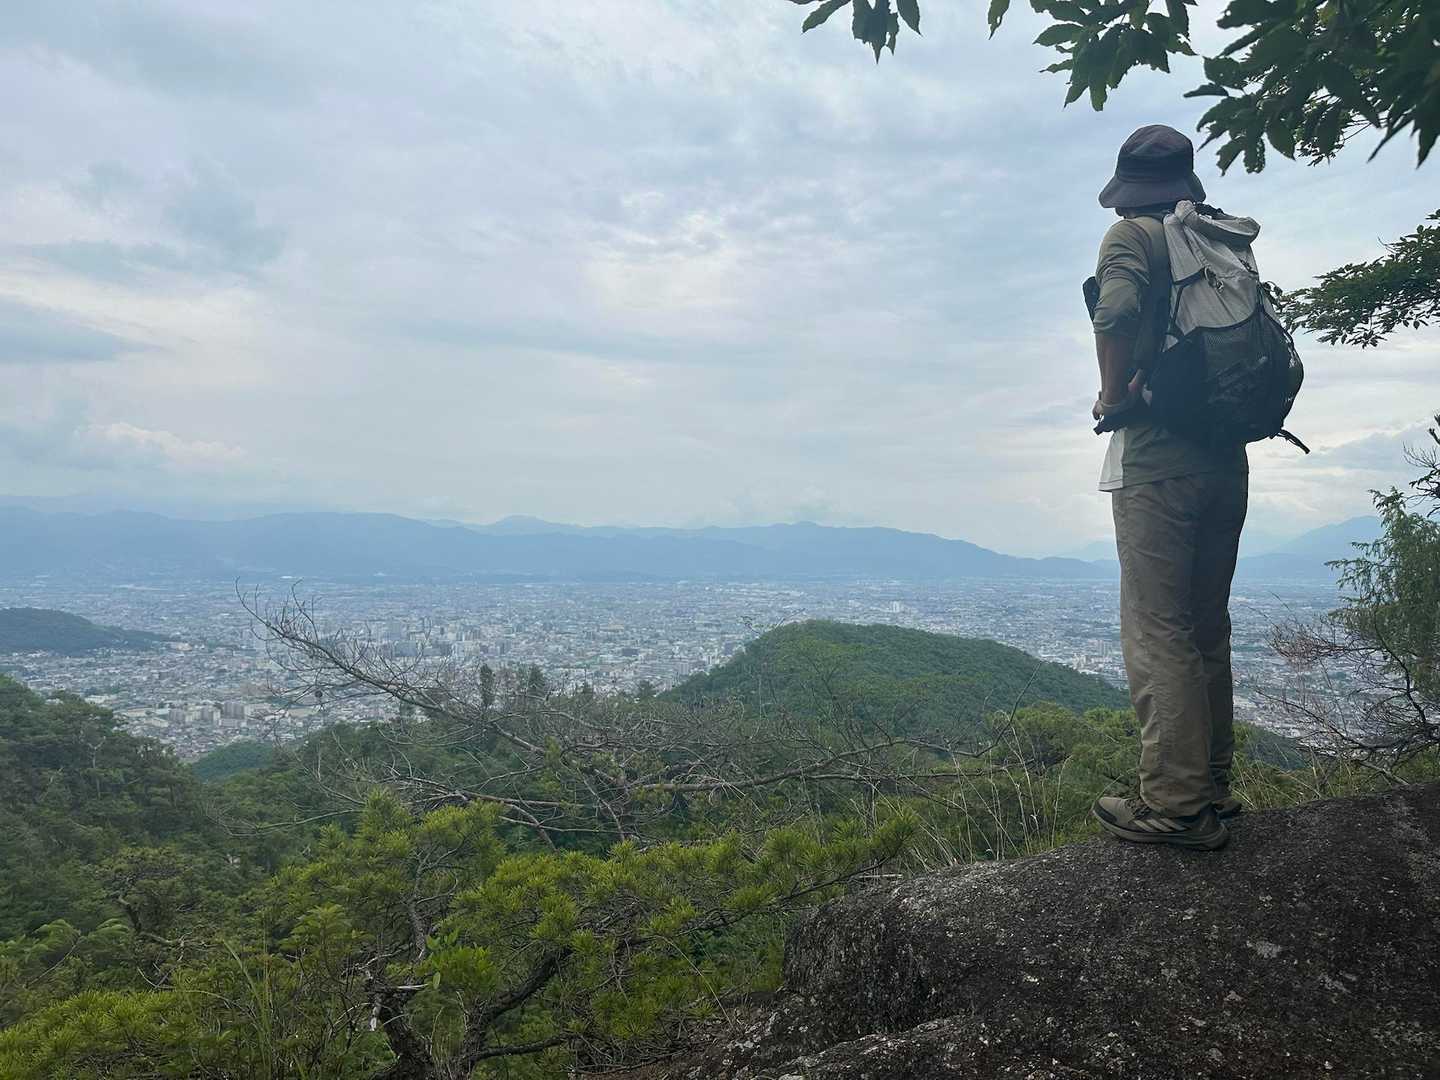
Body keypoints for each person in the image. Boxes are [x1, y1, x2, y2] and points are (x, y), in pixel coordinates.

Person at [1087, 125, 1248, 851]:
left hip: (1158, 462)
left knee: (1158, 629)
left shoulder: (1132, 238)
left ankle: (1178, 806)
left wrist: (1111, 393)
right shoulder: (1220, 240)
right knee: (1207, 625)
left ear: (1128, 189)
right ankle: (1211, 784)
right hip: (1226, 457)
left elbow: (1116, 312)